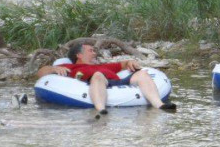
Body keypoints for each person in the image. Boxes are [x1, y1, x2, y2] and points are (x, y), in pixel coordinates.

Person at [37, 42, 176, 118]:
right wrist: (53, 69)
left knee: (142, 74)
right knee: (98, 75)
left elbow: (123, 63)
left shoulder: (103, 65)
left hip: (116, 81)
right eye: (91, 50)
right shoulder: (70, 66)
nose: (94, 52)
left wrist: (130, 62)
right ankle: (101, 110)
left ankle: (160, 105)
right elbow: (41, 72)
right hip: (94, 81)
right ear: (79, 54)